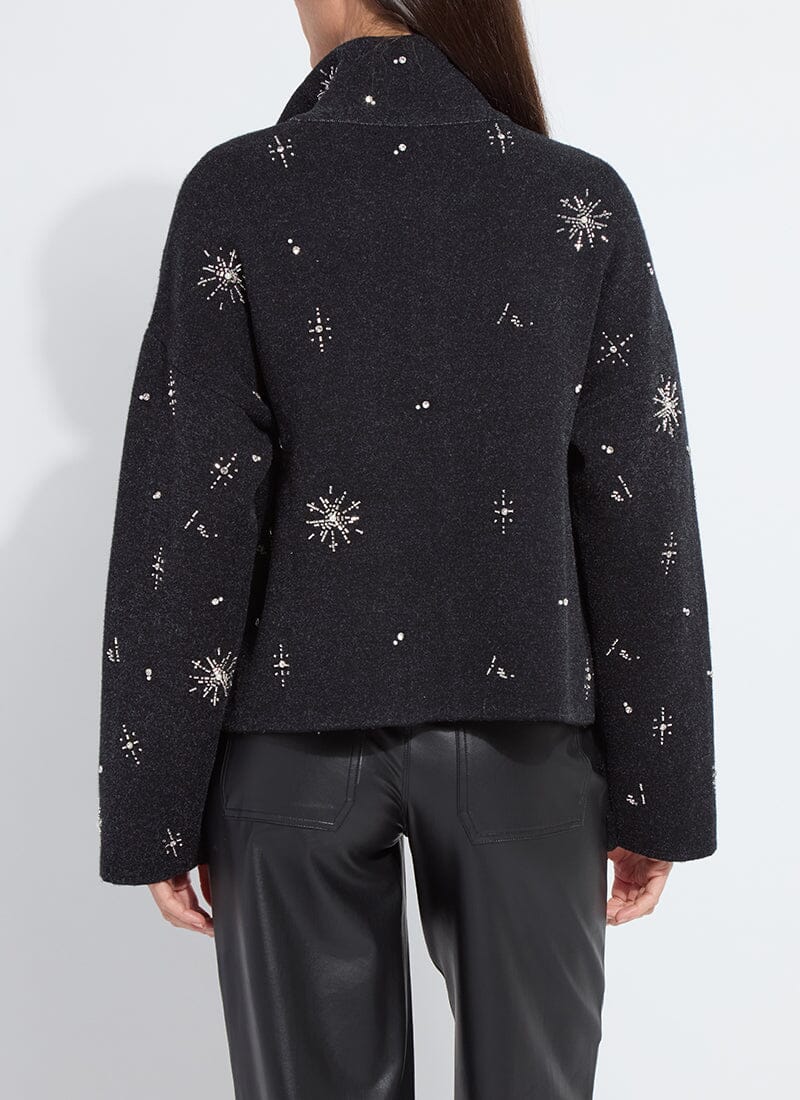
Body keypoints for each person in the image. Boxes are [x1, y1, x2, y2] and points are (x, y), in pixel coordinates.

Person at [97, 0, 717, 1096]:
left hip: (291, 743)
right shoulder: (576, 198)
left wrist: (154, 803)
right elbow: (637, 510)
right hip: (527, 745)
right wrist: (659, 791)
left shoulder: (237, 190)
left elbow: (191, 510)